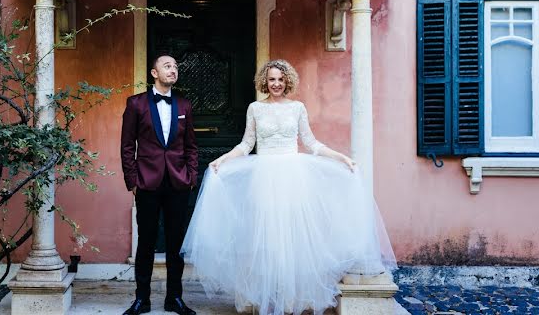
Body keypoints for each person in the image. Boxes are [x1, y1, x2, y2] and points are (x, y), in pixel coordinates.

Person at [181, 59, 395, 315]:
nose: (276, 84)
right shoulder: (255, 109)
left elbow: (311, 143)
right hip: (264, 179)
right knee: (267, 241)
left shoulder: (297, 108)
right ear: (264, 81)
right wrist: (221, 160)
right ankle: (266, 300)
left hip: (293, 179)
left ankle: (291, 301)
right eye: (271, 79)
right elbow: (246, 144)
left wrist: (341, 158)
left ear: (287, 81)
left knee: (292, 241)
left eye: (281, 79)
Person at [120, 54, 199, 315]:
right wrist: (132, 181)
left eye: (176, 66)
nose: (173, 70)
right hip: (147, 183)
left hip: (178, 183)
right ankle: (142, 299)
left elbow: (191, 147)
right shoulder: (136, 104)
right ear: (154, 73)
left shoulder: (184, 105)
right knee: (146, 242)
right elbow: (127, 145)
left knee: (176, 244)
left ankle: (174, 299)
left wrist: (191, 176)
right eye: (167, 66)